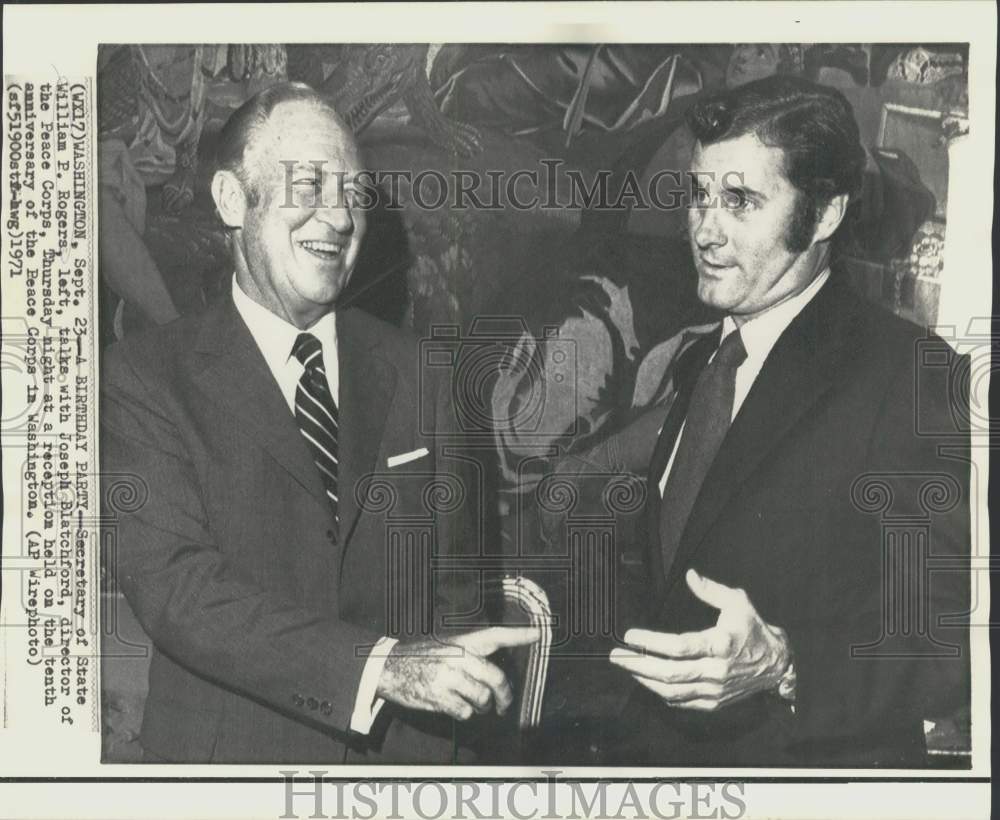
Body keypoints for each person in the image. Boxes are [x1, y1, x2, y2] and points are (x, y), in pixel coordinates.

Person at [532, 74, 970, 766]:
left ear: (824, 213)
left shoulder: (909, 372)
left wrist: (785, 666)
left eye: (740, 201)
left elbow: (949, 643)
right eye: (700, 196)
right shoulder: (704, 358)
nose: (705, 229)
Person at [100, 82, 537, 764]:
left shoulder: (429, 375)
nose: (337, 217)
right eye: (308, 185)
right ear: (230, 200)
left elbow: (459, 597)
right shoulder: (144, 377)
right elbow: (179, 591)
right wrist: (379, 666)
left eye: (354, 193)